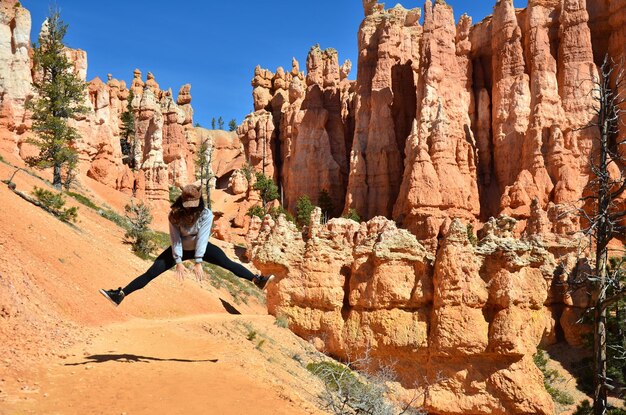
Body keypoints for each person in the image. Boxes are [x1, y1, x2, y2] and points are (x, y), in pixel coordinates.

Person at [99, 184, 274, 306]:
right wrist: (179, 262)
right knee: (151, 273)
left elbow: (203, 238)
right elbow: (175, 239)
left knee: (227, 262)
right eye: (187, 205)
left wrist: (198, 261)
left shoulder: (206, 214)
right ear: (182, 201)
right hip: (181, 248)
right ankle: (120, 295)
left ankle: (257, 280)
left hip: (201, 247)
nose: (190, 208)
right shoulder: (174, 214)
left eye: (194, 204)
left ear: (199, 201)